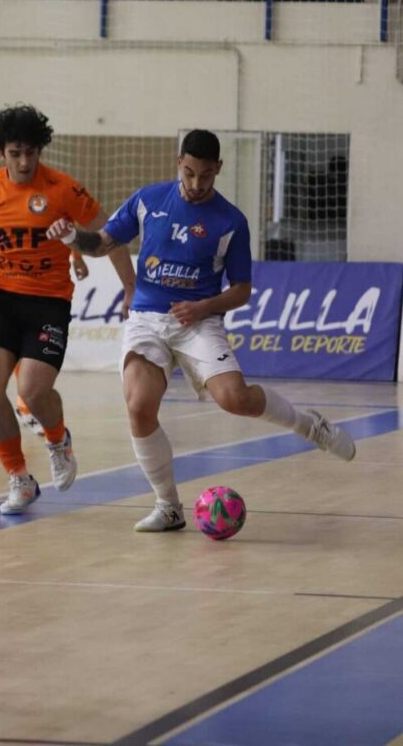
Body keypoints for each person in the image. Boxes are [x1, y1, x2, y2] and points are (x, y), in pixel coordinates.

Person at [47, 129, 356, 533]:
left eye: (206, 176)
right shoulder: (148, 200)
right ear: (179, 163)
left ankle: (310, 425)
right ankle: (169, 505)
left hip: (200, 321)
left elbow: (242, 290)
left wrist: (203, 307)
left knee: (235, 399)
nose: (196, 184)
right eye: (190, 173)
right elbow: (102, 243)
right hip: (147, 318)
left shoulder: (231, 221)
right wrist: (72, 237)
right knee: (139, 406)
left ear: (218, 170)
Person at [0, 104, 135, 515]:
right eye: (14, 153)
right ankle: (18, 477)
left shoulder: (63, 189)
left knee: (32, 391)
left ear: (40, 151)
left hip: (48, 303)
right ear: (1, 152)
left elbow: (111, 237)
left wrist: (130, 288)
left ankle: (58, 439)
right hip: (1, 298)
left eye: (30, 153)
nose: (23, 162)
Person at [0, 245, 90, 437]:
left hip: (37, 274)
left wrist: (76, 254)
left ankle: (26, 407)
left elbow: (63, 220)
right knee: (1, 340)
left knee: (30, 343)